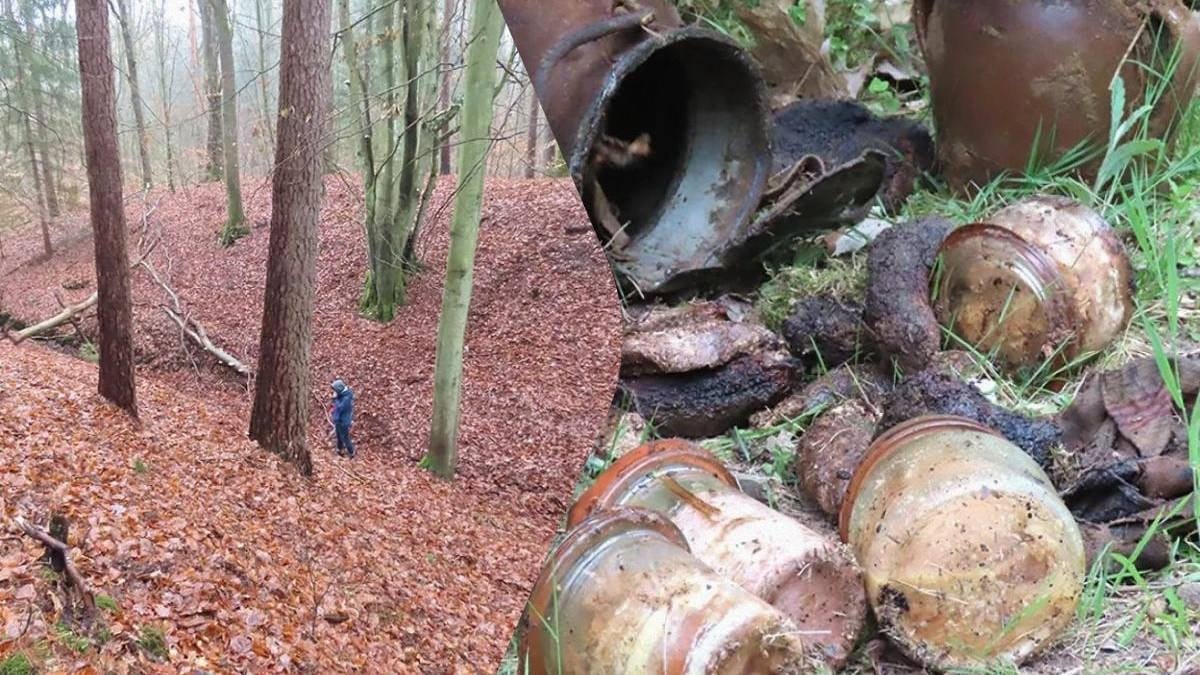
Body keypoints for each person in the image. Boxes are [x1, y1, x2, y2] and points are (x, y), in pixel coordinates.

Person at [330, 379, 355, 458]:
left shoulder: (346, 398)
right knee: (338, 436)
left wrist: (335, 399)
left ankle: (351, 452)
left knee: (345, 437)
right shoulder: (342, 395)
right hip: (339, 420)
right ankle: (339, 450)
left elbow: (340, 407)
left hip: (344, 421)